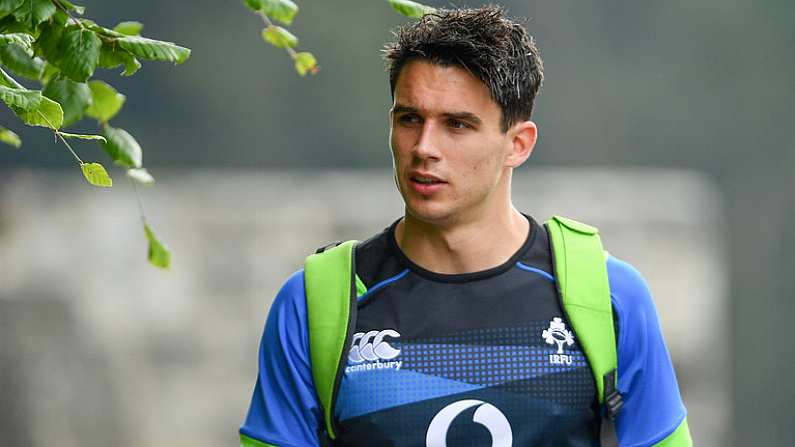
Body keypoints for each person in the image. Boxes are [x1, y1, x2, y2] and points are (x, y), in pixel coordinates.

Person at [240, 6, 691, 447]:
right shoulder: (316, 302)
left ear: (518, 144)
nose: (424, 147)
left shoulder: (607, 297)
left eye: (457, 125)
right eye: (409, 118)